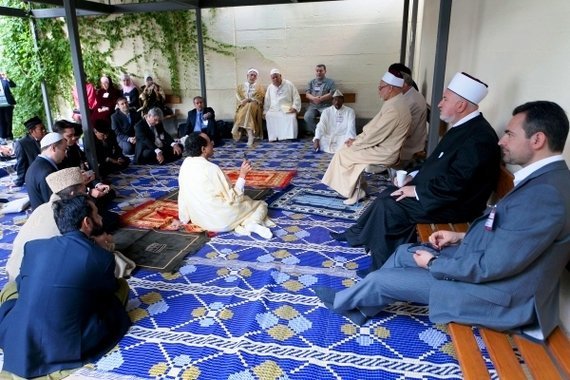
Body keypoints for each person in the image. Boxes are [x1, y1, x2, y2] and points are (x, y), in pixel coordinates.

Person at [316, 100, 570, 342]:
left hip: (502, 298)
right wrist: (461, 237)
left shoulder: (546, 194)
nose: (502, 141)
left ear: (537, 140)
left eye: (510, 134)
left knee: (381, 280)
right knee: (404, 252)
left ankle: (350, 300)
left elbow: (493, 266)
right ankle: (359, 308)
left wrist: (435, 263)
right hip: (491, 268)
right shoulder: (548, 180)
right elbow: (513, 238)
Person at [331, 72, 501, 272]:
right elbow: (435, 162)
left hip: (456, 204)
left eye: (445, 99)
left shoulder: (478, 137)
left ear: (461, 106)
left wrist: (417, 191)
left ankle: (382, 269)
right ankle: (358, 234)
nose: (439, 104)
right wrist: (413, 176)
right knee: (388, 193)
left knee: (391, 207)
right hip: (442, 192)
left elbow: (459, 184)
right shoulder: (463, 127)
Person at [0, 195, 131, 378]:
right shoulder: (100, 257)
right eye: (97, 214)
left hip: (17, 339)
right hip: (64, 348)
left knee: (12, 290)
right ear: (87, 222)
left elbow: (21, 289)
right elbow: (106, 294)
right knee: (120, 290)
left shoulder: (35, 247)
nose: (101, 218)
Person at [4, 167, 121, 284]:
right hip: (31, 279)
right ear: (73, 193)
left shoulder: (43, 208)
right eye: (83, 191)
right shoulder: (66, 216)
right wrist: (104, 246)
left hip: (14, 274)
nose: (85, 195)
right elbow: (84, 254)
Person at [322, 71, 411, 205]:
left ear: (391, 88)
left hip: (385, 151)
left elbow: (376, 134)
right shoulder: (394, 102)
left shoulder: (395, 108)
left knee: (344, 154)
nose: (378, 90)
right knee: (346, 150)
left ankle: (354, 191)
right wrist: (357, 140)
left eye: (381, 87)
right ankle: (358, 189)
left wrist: (356, 142)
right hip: (381, 145)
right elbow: (374, 128)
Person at [178, 132, 273, 239]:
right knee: (260, 204)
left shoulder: (185, 165)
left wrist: (184, 218)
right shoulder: (211, 168)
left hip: (200, 220)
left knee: (246, 204)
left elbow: (183, 195)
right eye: (210, 142)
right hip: (222, 221)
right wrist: (242, 175)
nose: (213, 143)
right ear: (203, 149)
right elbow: (233, 197)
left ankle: (248, 223)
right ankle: (252, 223)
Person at [25, 132, 68, 209]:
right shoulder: (47, 172)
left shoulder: (36, 165)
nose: (65, 154)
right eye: (64, 150)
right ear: (53, 148)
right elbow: (55, 205)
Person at [263, 68, 301, 142]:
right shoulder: (270, 87)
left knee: (291, 117)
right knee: (269, 115)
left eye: (276, 76)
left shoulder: (289, 84)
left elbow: (296, 97)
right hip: (274, 109)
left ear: (280, 76)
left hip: (287, 109)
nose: (275, 79)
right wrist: (265, 111)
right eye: (273, 78)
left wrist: (294, 107)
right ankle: (274, 137)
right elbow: (267, 101)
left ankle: (289, 137)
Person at [232, 68, 265, 146]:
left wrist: (249, 99)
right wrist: (242, 101)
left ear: (256, 77)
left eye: (254, 75)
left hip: (255, 106)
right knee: (247, 109)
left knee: (250, 105)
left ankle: (236, 125)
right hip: (243, 106)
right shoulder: (240, 86)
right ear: (247, 76)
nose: (252, 77)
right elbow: (238, 97)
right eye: (251, 75)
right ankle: (250, 135)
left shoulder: (259, 87)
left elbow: (260, 98)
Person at [13, 116, 46, 187]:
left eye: (44, 128)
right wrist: (19, 181)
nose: (44, 131)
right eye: (41, 129)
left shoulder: (47, 138)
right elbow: (21, 164)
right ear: (32, 131)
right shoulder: (22, 143)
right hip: (36, 178)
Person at [304, 64, 336, 136]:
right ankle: (318, 134)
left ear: (325, 71)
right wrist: (314, 98)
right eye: (317, 71)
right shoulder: (311, 82)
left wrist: (321, 99)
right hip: (313, 107)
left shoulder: (330, 82)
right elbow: (307, 94)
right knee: (307, 117)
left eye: (321, 71)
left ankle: (327, 133)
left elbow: (332, 93)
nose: (319, 72)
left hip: (325, 106)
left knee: (327, 117)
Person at [0, 70, 16, 142]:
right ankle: (2, 137)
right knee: (1, 122)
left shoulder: (4, 80)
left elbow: (13, 85)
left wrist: (7, 78)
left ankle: (9, 136)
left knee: (8, 120)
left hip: (8, 104)